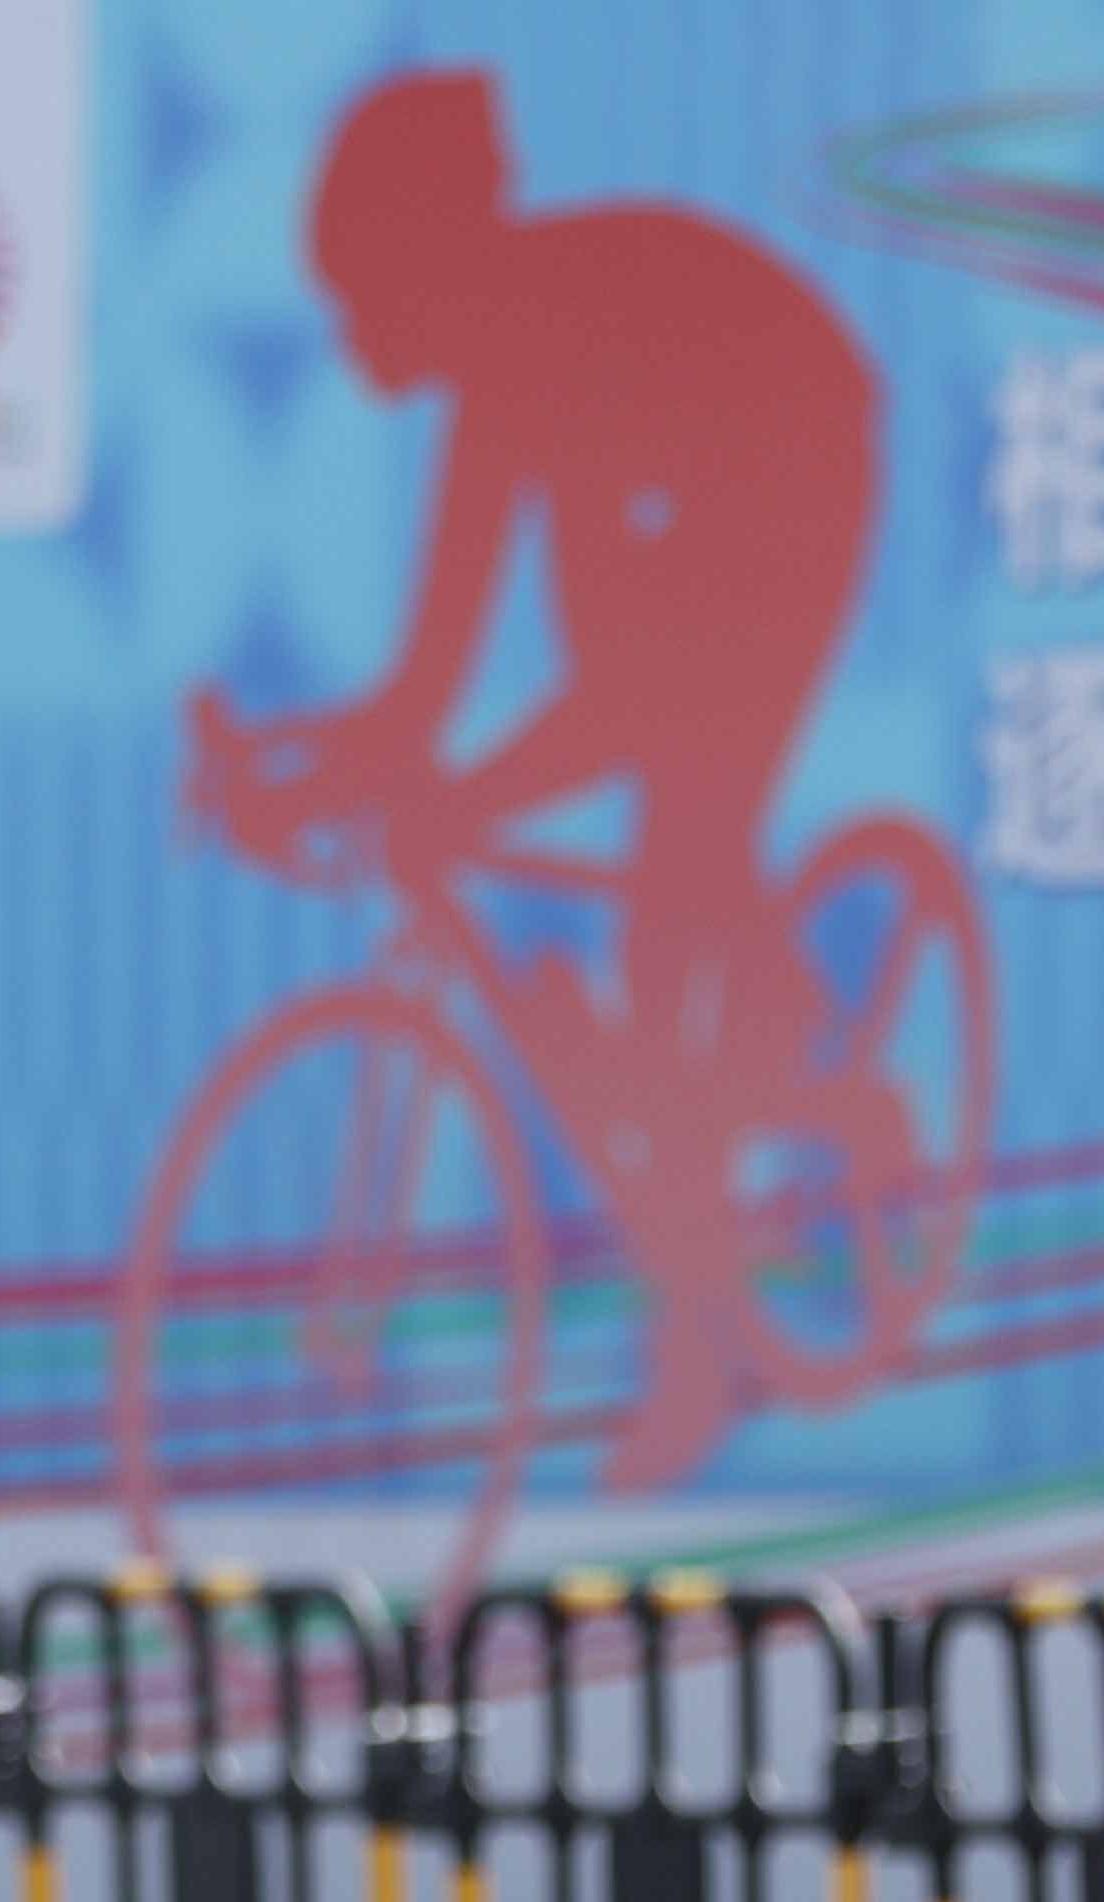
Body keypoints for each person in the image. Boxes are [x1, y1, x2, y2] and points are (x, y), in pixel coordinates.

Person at [253, 67, 881, 1125]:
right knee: (682, 838)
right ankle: (731, 1047)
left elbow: (632, 702)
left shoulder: (560, 358)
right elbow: (418, 700)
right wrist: (288, 773)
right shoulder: (501, 380)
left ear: (429, 274)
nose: (354, 345)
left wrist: (459, 801)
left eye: (362, 303)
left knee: (683, 855)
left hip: (800, 463)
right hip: (702, 494)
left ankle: (758, 1126)